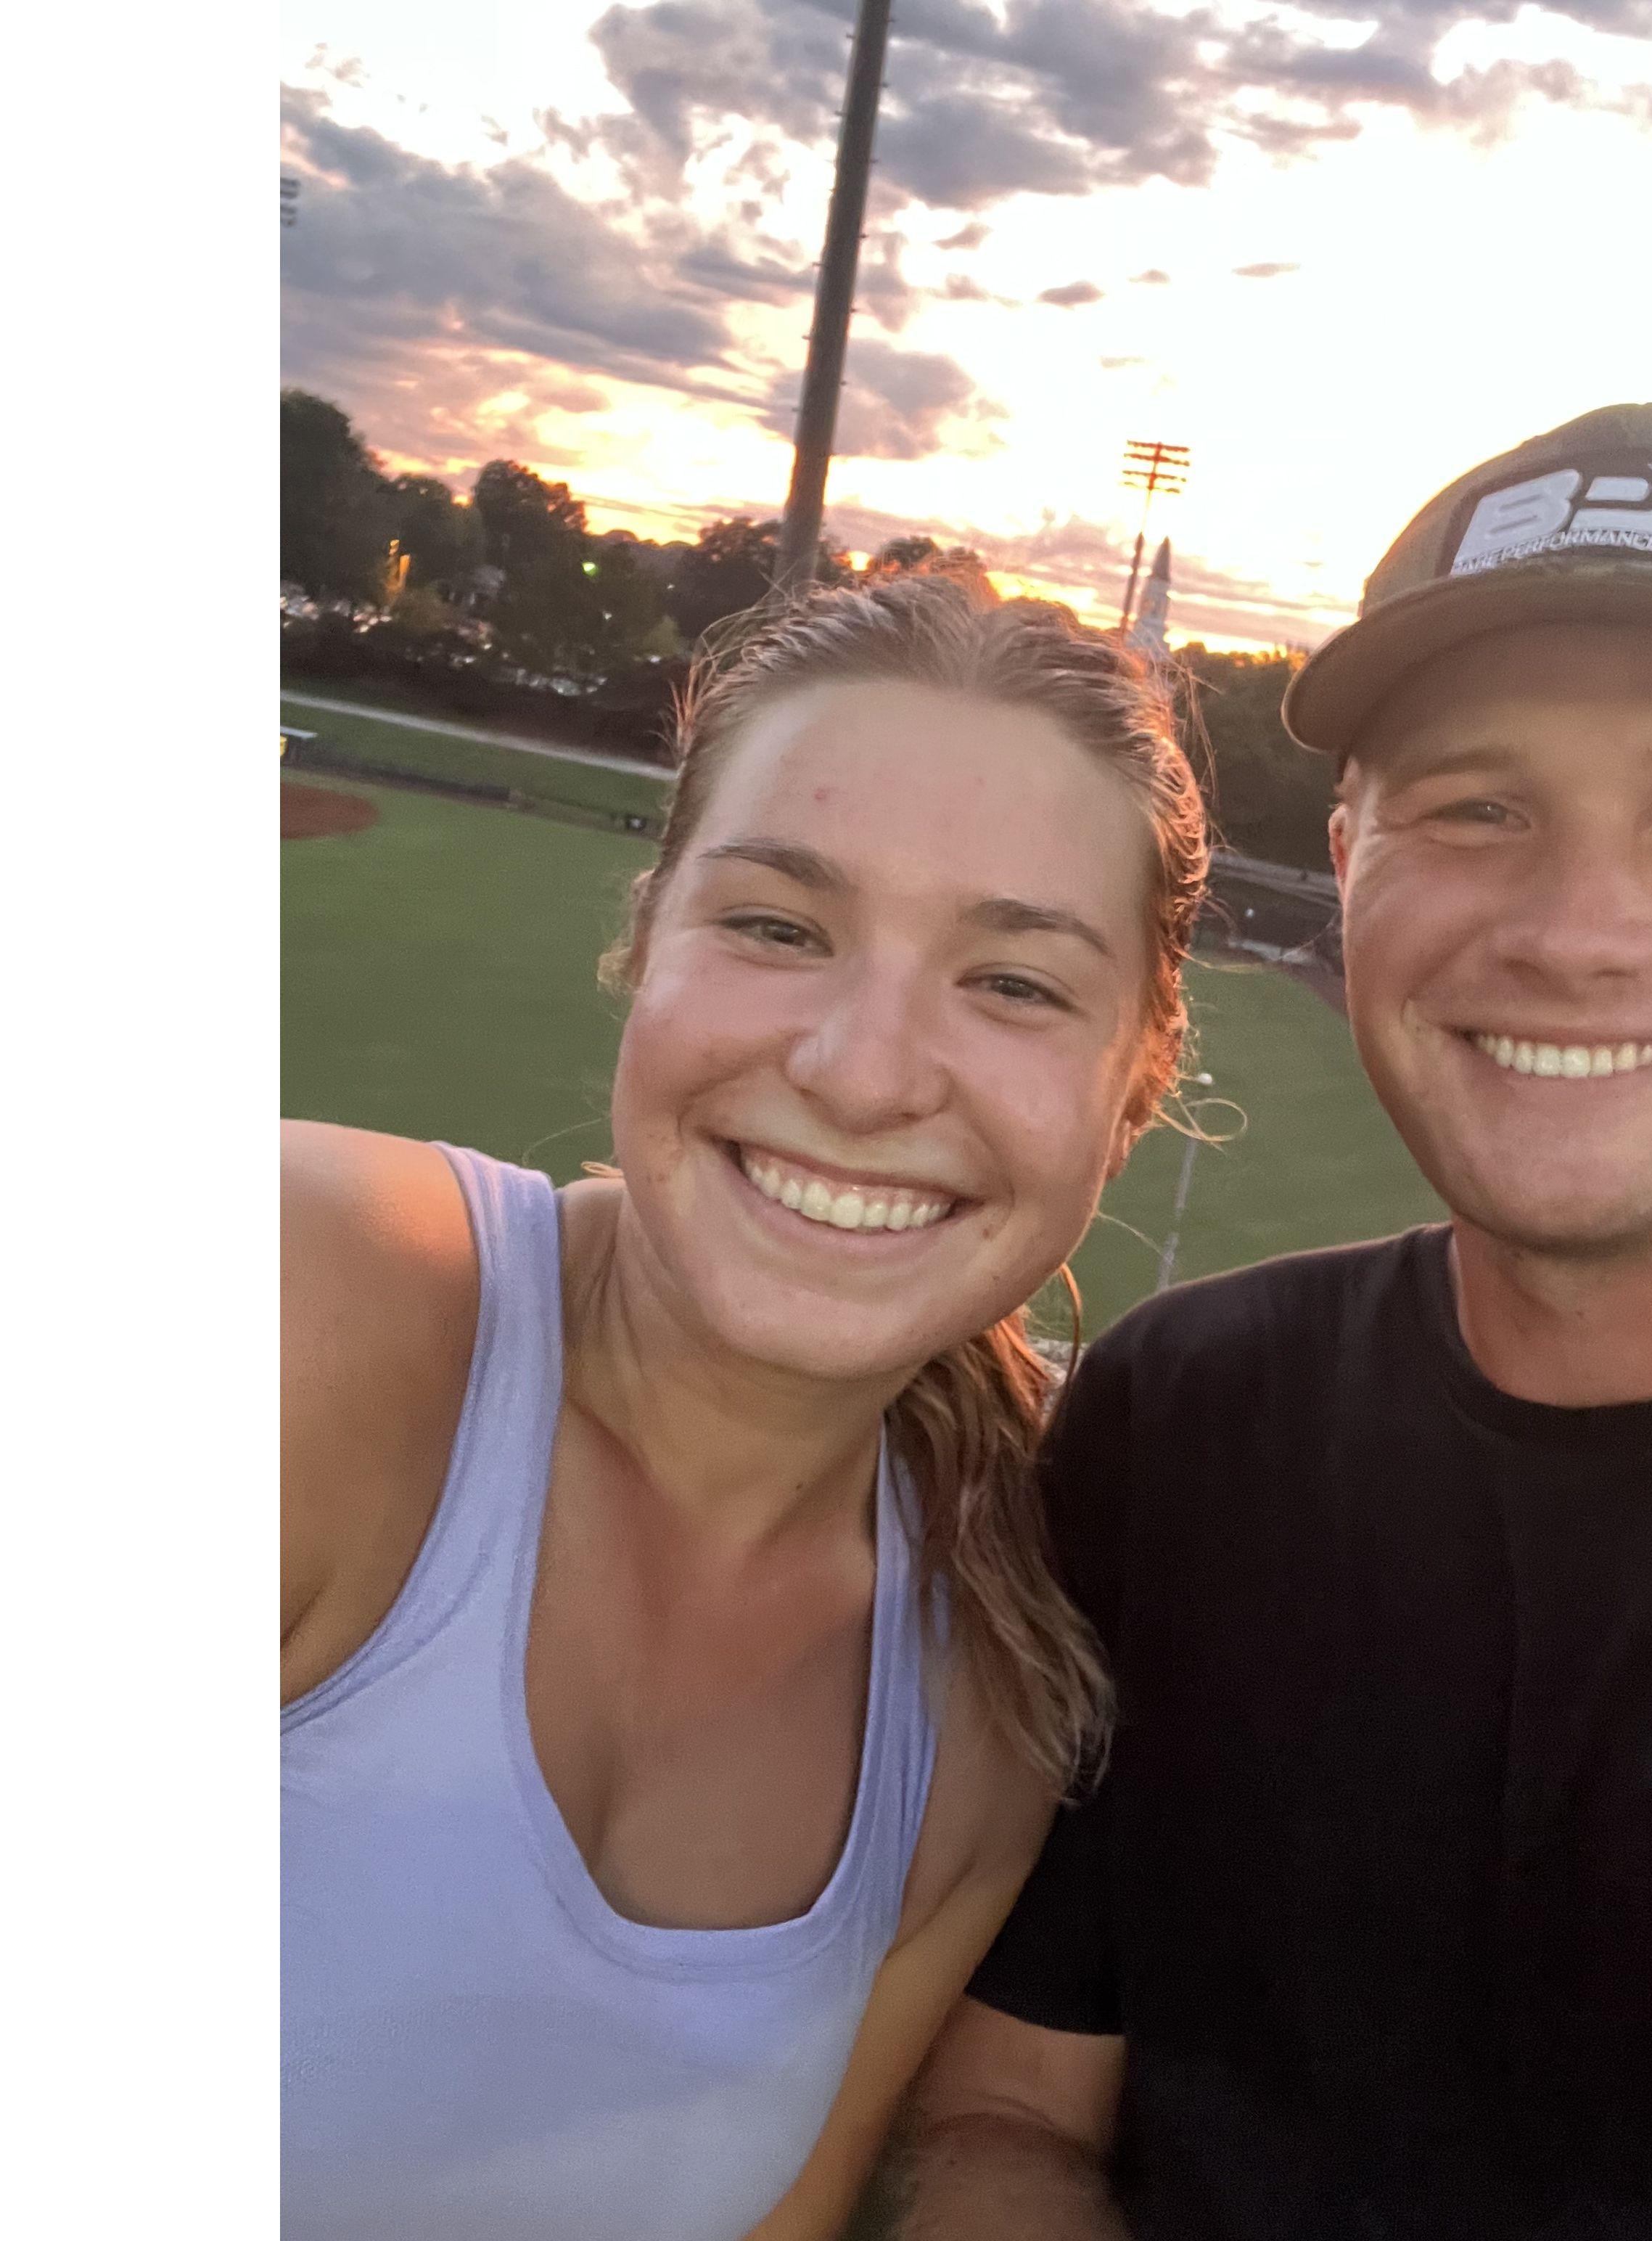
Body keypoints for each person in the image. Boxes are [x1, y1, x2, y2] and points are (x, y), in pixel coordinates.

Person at [907, 403, 1652, 2239]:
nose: (1575, 927)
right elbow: (1008, 2110)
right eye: (1476, 806)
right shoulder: (1185, 1413)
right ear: (1351, 852)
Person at [281, 572, 1209, 2240]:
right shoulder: (302, 1312)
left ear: (1135, 1080)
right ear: (646, 938)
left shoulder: (987, 1712)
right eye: (778, 927)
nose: (861, 1070)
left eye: (1013, 983)